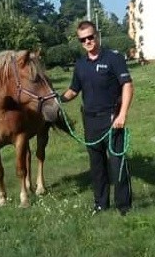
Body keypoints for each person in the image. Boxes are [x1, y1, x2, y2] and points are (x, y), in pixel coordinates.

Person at [60, 20, 134, 216]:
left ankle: (124, 205)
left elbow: (127, 85)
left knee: (117, 164)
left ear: (97, 35)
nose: (88, 42)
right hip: (90, 121)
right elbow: (74, 90)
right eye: (83, 39)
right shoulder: (80, 64)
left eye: (90, 37)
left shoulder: (113, 58)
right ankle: (101, 203)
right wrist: (58, 99)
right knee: (97, 166)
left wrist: (122, 114)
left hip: (112, 120)